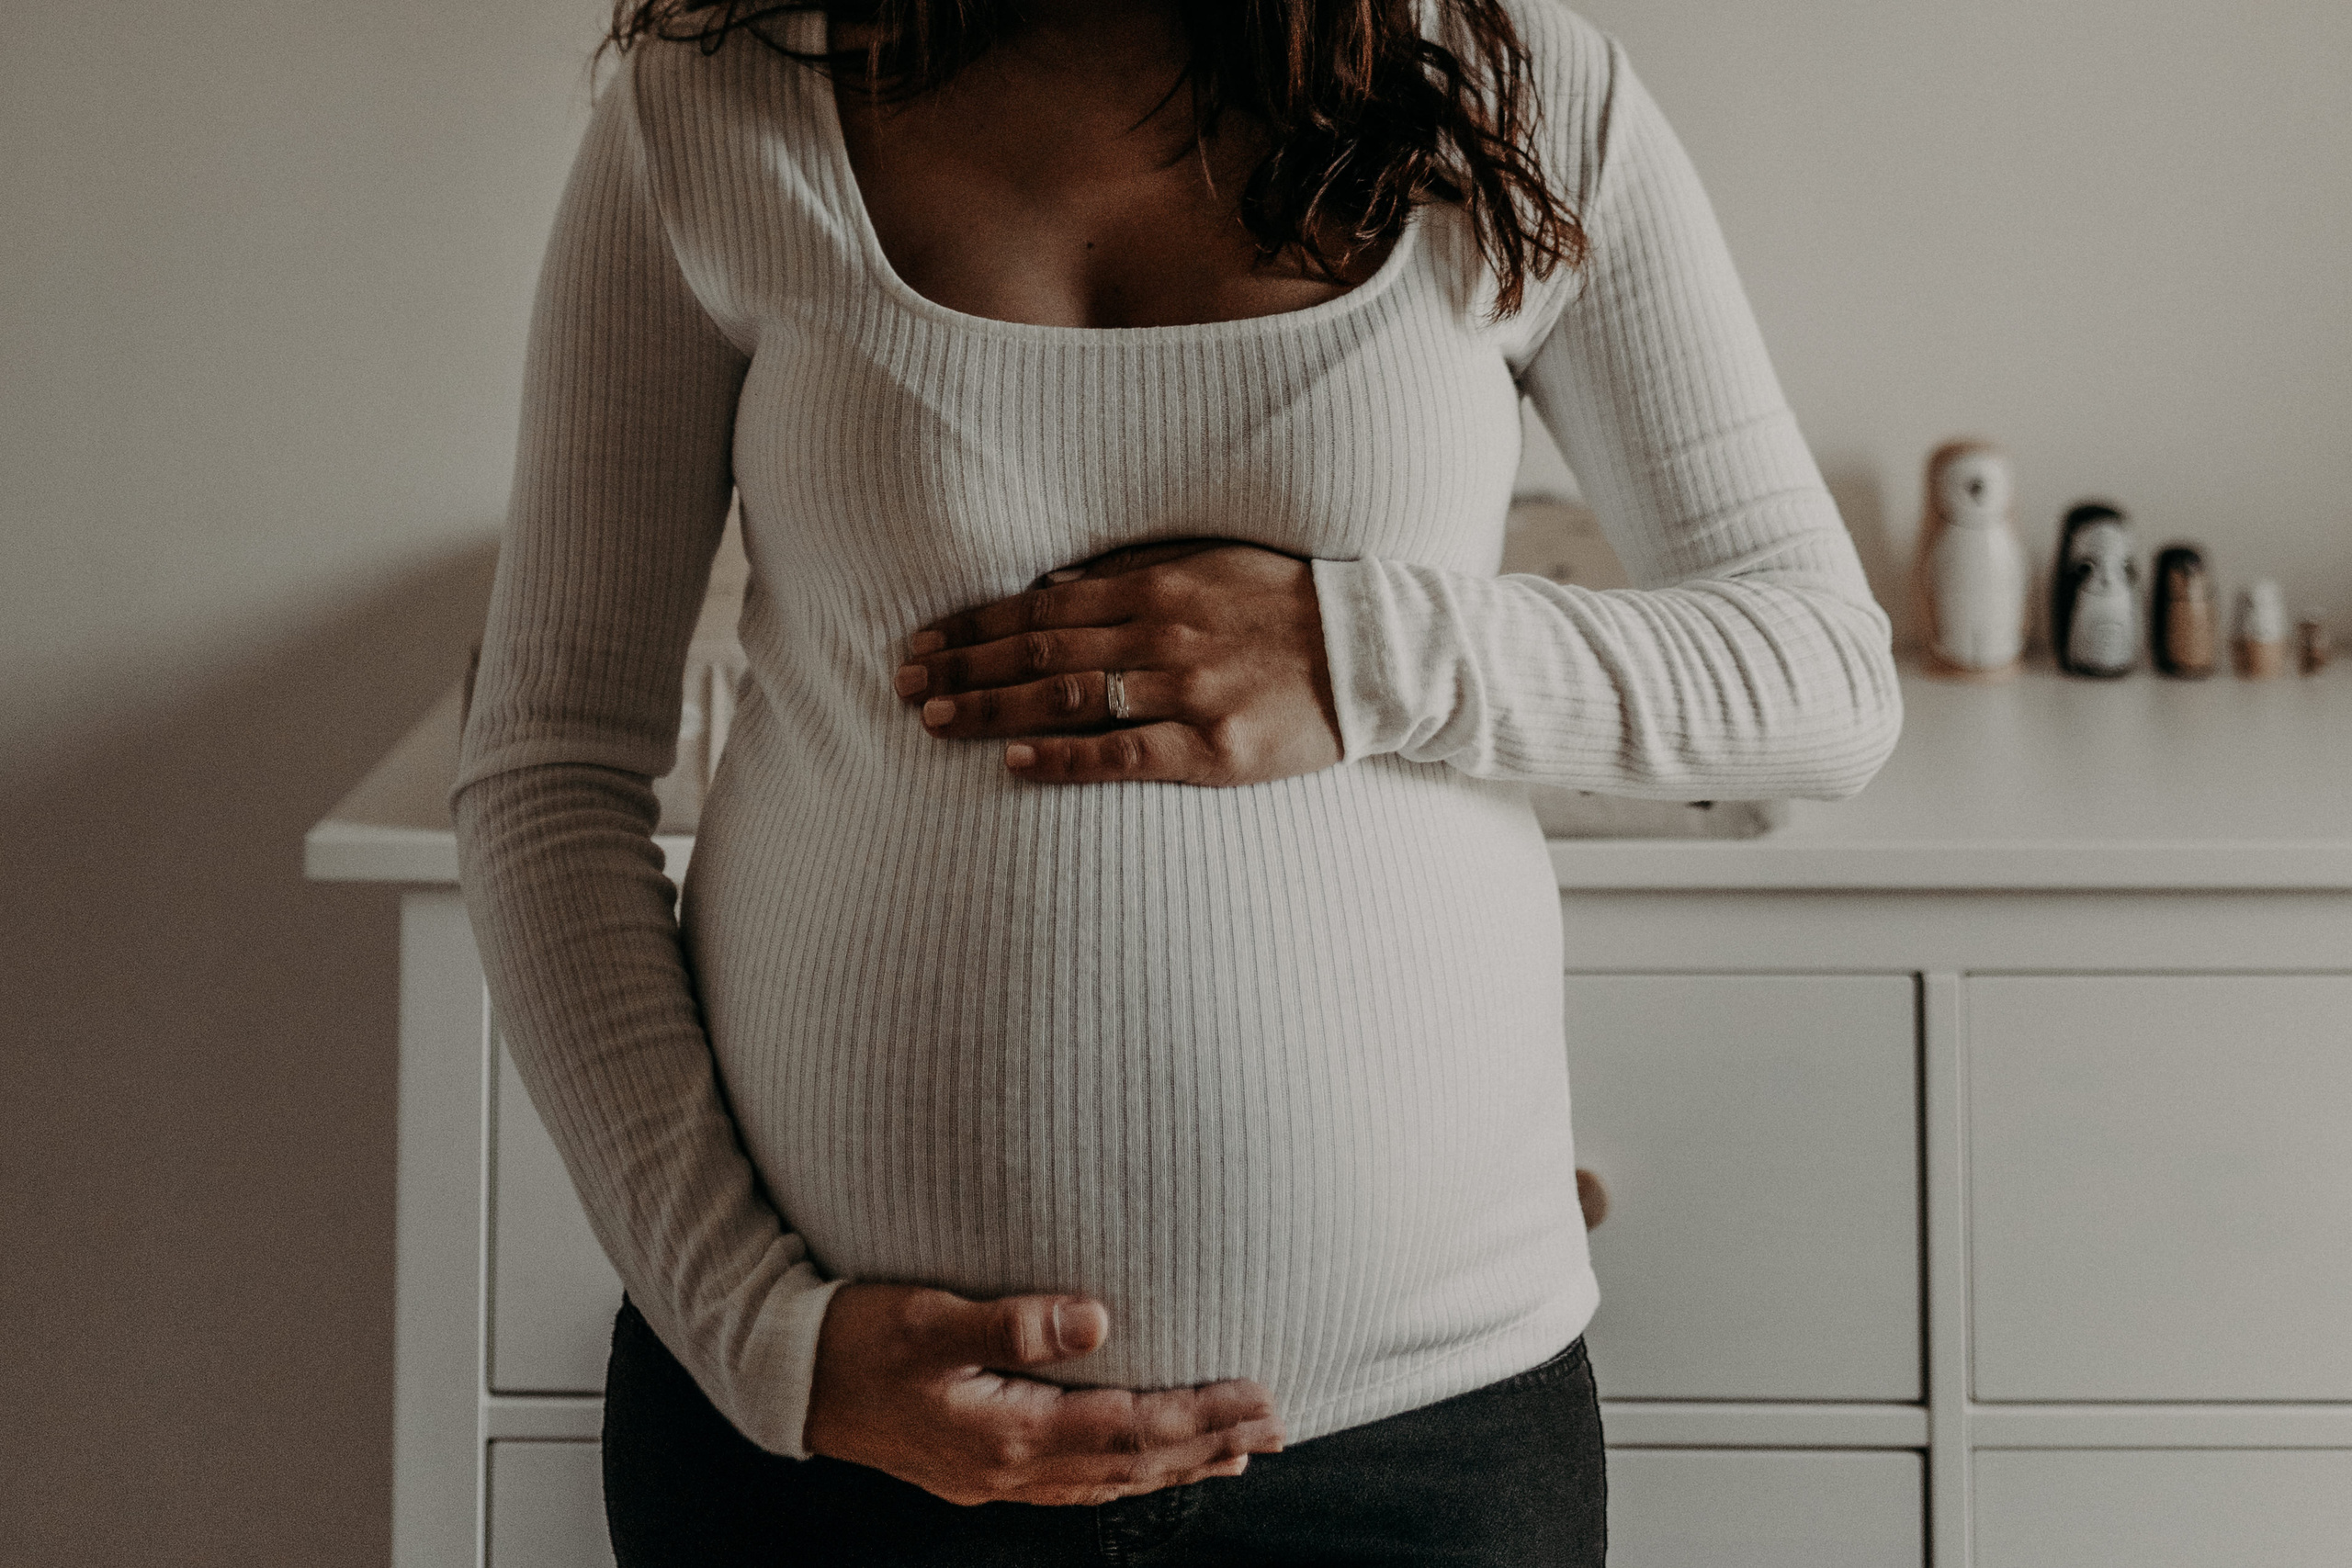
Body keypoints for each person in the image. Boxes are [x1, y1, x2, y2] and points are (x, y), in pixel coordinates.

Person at [453, 0, 1903, 1562]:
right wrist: (753, 1329)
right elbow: (547, 769)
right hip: (837, 1441)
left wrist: (1359, 650)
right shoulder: (715, 106)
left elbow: (1820, 680)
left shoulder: (1518, 88)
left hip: (1418, 1456)